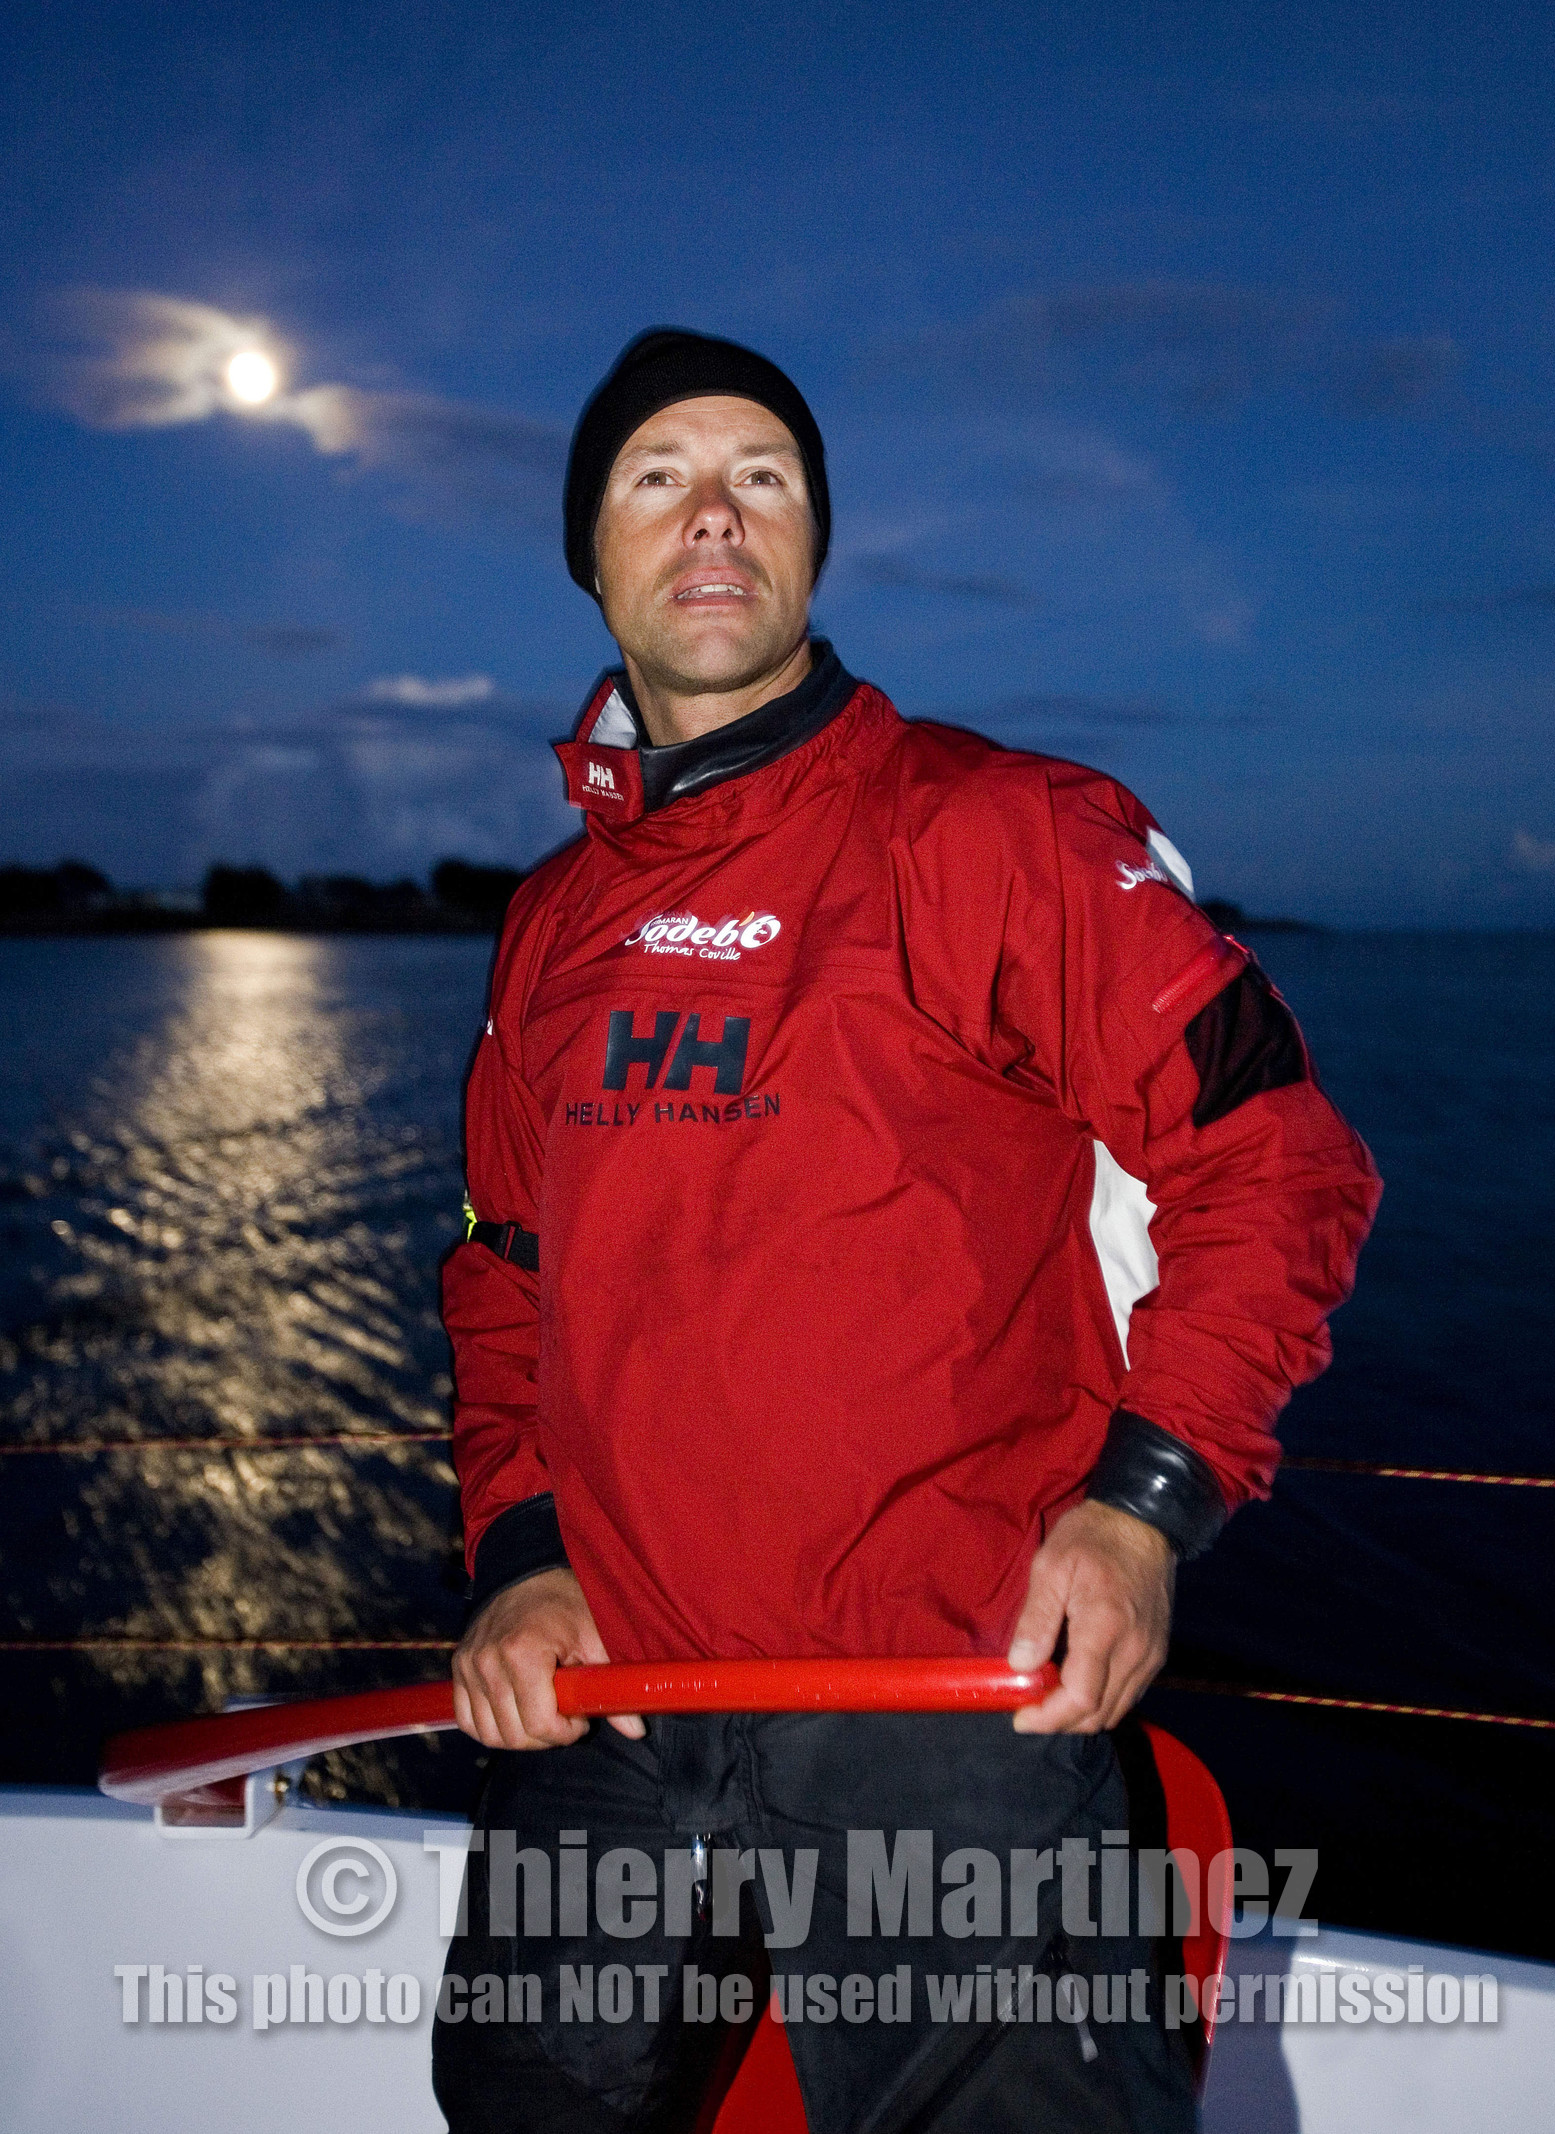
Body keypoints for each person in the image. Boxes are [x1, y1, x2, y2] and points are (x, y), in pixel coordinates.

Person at [433, 328, 1381, 2132]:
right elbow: (505, 1274)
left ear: (813, 542)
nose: (714, 514)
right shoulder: (551, 922)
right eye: (656, 477)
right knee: (521, 2104)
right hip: (615, 1701)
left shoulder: (998, 831)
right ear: (592, 555)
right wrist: (525, 1553)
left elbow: (1277, 1159)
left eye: (762, 478)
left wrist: (1143, 1506)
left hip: (941, 1694)